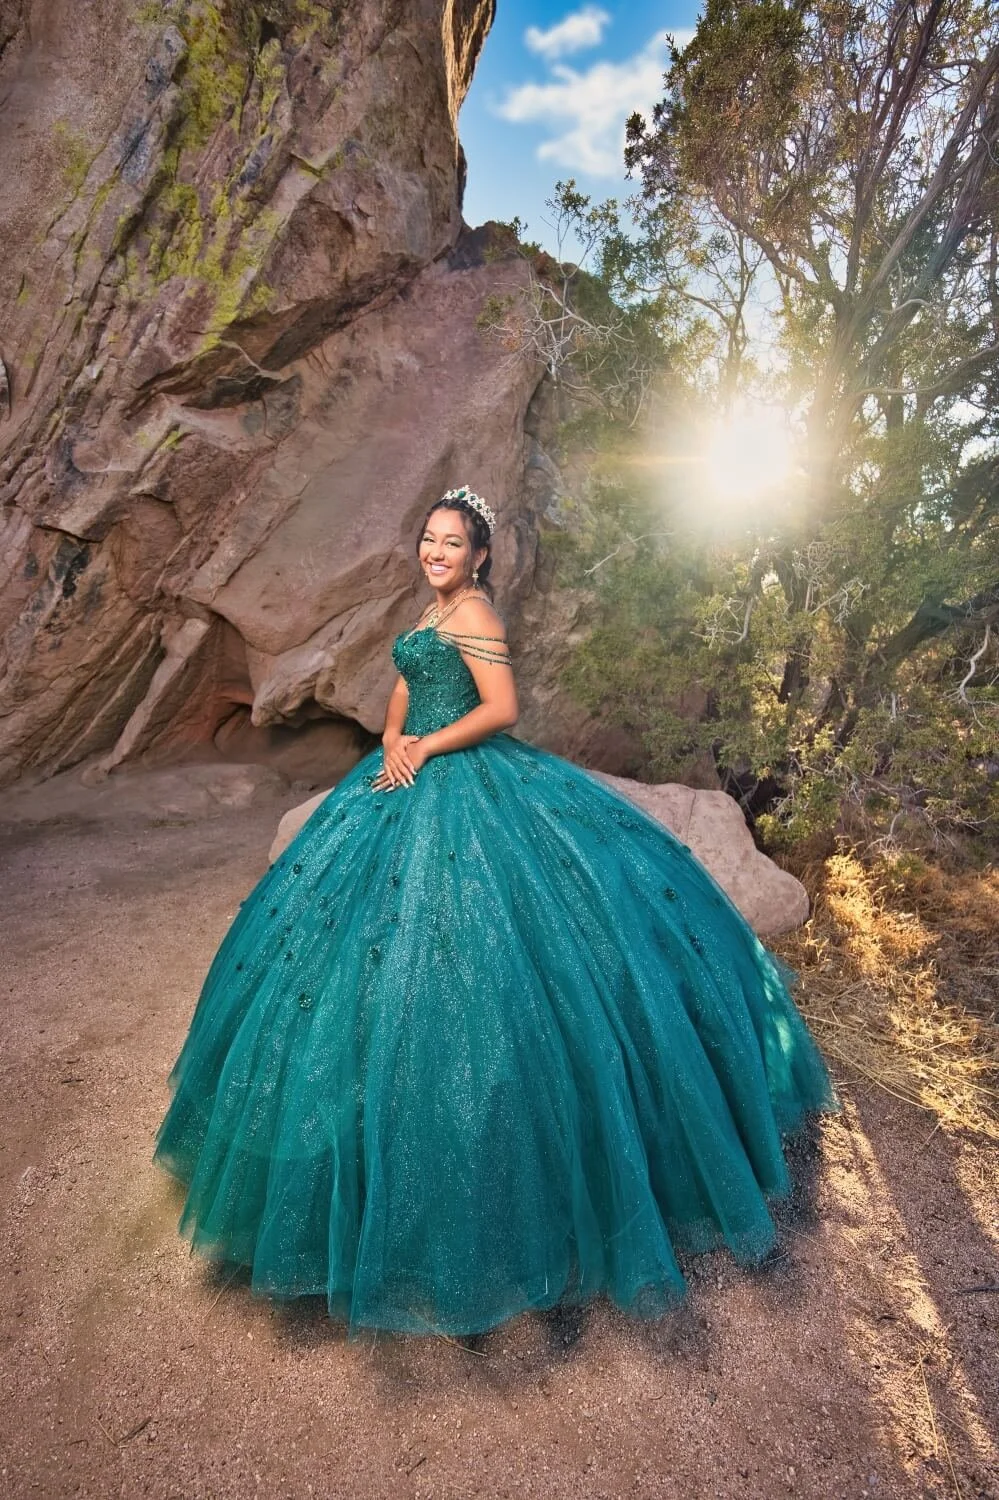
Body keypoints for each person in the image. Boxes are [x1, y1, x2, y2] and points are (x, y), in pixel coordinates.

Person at [153, 484, 838, 1338]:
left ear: (479, 555)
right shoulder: (430, 611)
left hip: (470, 781)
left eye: (452, 542)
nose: (436, 552)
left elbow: (501, 708)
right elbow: (406, 687)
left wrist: (425, 747)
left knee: (482, 955)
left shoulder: (475, 611)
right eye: (428, 539)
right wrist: (392, 741)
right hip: (406, 772)